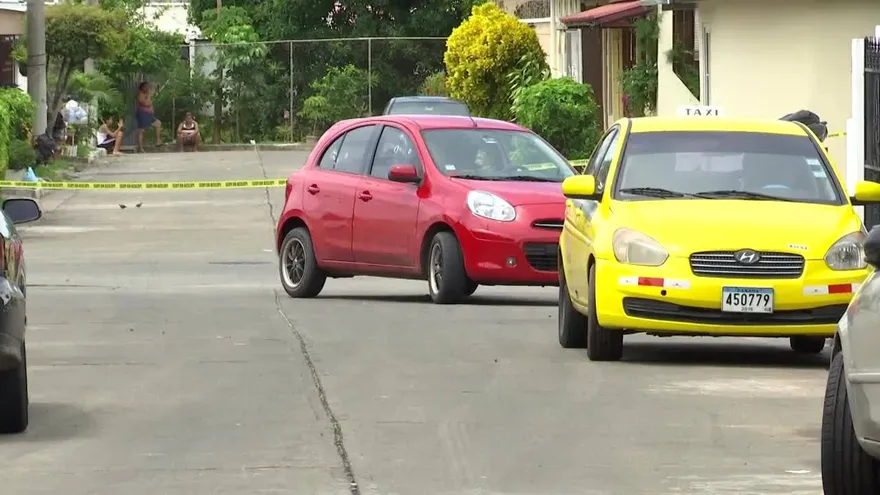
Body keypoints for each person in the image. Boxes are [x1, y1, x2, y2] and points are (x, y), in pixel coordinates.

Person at [135, 81, 162, 152]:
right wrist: (149, 96)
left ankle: (158, 141)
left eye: (148, 87)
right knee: (141, 130)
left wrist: (156, 87)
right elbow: (147, 103)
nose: (147, 88)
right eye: (146, 87)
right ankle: (140, 148)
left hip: (149, 115)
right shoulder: (140, 94)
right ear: (142, 88)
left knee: (158, 123)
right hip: (142, 114)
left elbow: (154, 91)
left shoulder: (147, 94)